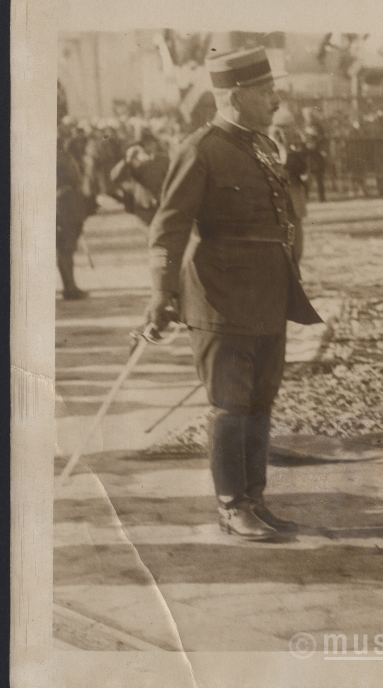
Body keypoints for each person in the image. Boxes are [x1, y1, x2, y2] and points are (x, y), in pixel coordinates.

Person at [145, 47, 323, 541]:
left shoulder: (262, 147)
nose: (276, 99)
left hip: (268, 295)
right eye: (266, 91)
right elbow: (167, 228)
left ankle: (254, 499)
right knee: (230, 403)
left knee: (261, 400)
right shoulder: (200, 149)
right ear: (235, 96)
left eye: (274, 89)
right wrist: (161, 292)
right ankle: (231, 505)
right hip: (220, 298)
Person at [56, 131, 96, 300]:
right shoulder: (59, 157)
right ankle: (69, 288)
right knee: (65, 248)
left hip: (70, 206)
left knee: (67, 248)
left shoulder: (65, 156)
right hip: (64, 207)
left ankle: (70, 286)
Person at [109, 129, 170, 225]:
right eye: (143, 144)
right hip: (144, 206)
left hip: (162, 203)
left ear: (155, 144)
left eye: (150, 143)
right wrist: (127, 161)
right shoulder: (133, 161)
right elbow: (115, 177)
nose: (147, 147)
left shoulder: (163, 159)